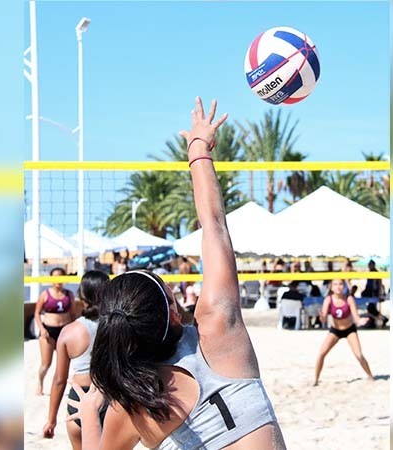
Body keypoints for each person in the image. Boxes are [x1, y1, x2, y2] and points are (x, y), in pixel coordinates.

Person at [68, 97, 286, 449]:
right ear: (171, 310)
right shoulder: (218, 328)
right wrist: (198, 148)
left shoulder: (132, 402)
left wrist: (92, 413)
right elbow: (214, 225)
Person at [42, 270, 110, 449]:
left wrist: (51, 420)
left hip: (79, 399)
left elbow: (59, 380)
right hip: (111, 396)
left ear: (81, 294)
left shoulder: (70, 331)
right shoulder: (118, 326)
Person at [313, 279, 375, 386]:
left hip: (349, 329)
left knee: (359, 355)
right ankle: (316, 380)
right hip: (335, 330)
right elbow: (323, 320)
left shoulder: (349, 299)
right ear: (331, 287)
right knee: (321, 354)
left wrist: (361, 321)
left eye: (341, 284)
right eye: (335, 284)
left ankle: (370, 376)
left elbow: (356, 318)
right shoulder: (328, 299)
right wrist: (322, 316)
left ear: (344, 286)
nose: (338, 287)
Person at [34, 267, 77, 395]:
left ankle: (58, 387)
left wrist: (74, 329)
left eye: (61, 276)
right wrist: (42, 329)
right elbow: (37, 313)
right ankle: (40, 382)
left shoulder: (69, 294)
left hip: (64, 331)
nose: (58, 280)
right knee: (46, 364)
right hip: (48, 331)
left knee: (63, 364)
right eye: (56, 277)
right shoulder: (45, 294)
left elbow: (73, 314)